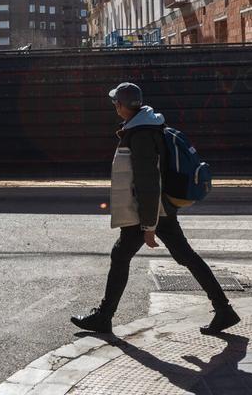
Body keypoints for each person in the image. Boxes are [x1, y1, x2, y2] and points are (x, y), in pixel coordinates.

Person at [71, 81, 241, 335]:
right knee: (183, 256)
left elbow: (148, 183)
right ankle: (223, 309)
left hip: (150, 211)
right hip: (157, 209)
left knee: (122, 256)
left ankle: (104, 317)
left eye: (115, 102)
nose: (114, 106)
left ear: (121, 105)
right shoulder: (145, 126)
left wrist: (148, 226)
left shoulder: (141, 135)